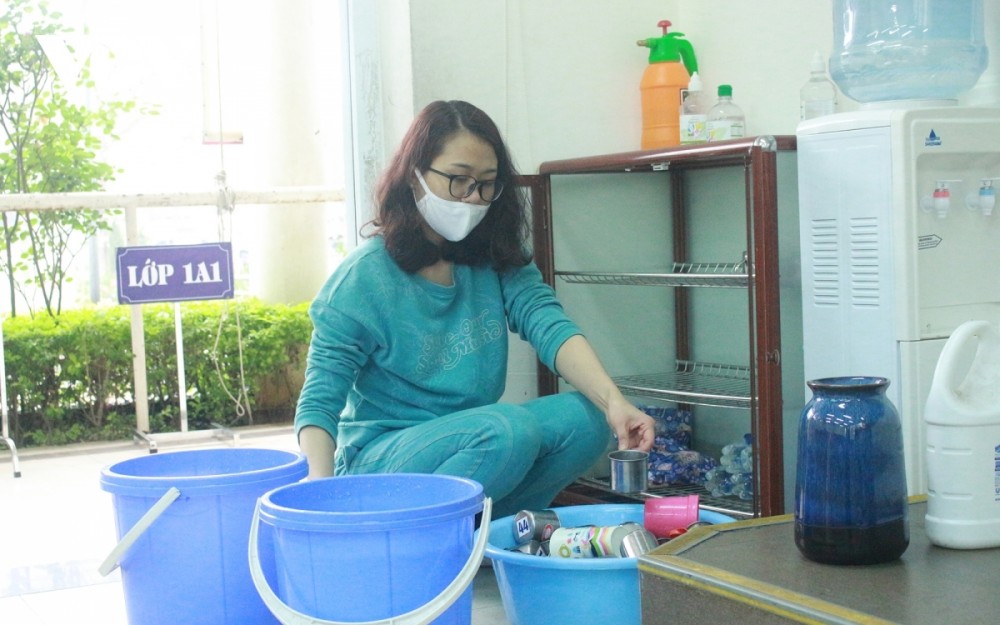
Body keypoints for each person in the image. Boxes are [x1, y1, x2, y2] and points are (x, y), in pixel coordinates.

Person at [294, 100, 655, 518]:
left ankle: (492, 533)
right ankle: (431, 538)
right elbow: (319, 401)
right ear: (415, 177)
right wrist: (319, 498)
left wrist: (614, 402)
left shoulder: (492, 255)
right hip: (383, 458)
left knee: (590, 419)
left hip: (477, 439)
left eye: (486, 183)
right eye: (458, 180)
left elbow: (548, 324)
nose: (472, 198)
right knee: (506, 430)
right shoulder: (363, 279)